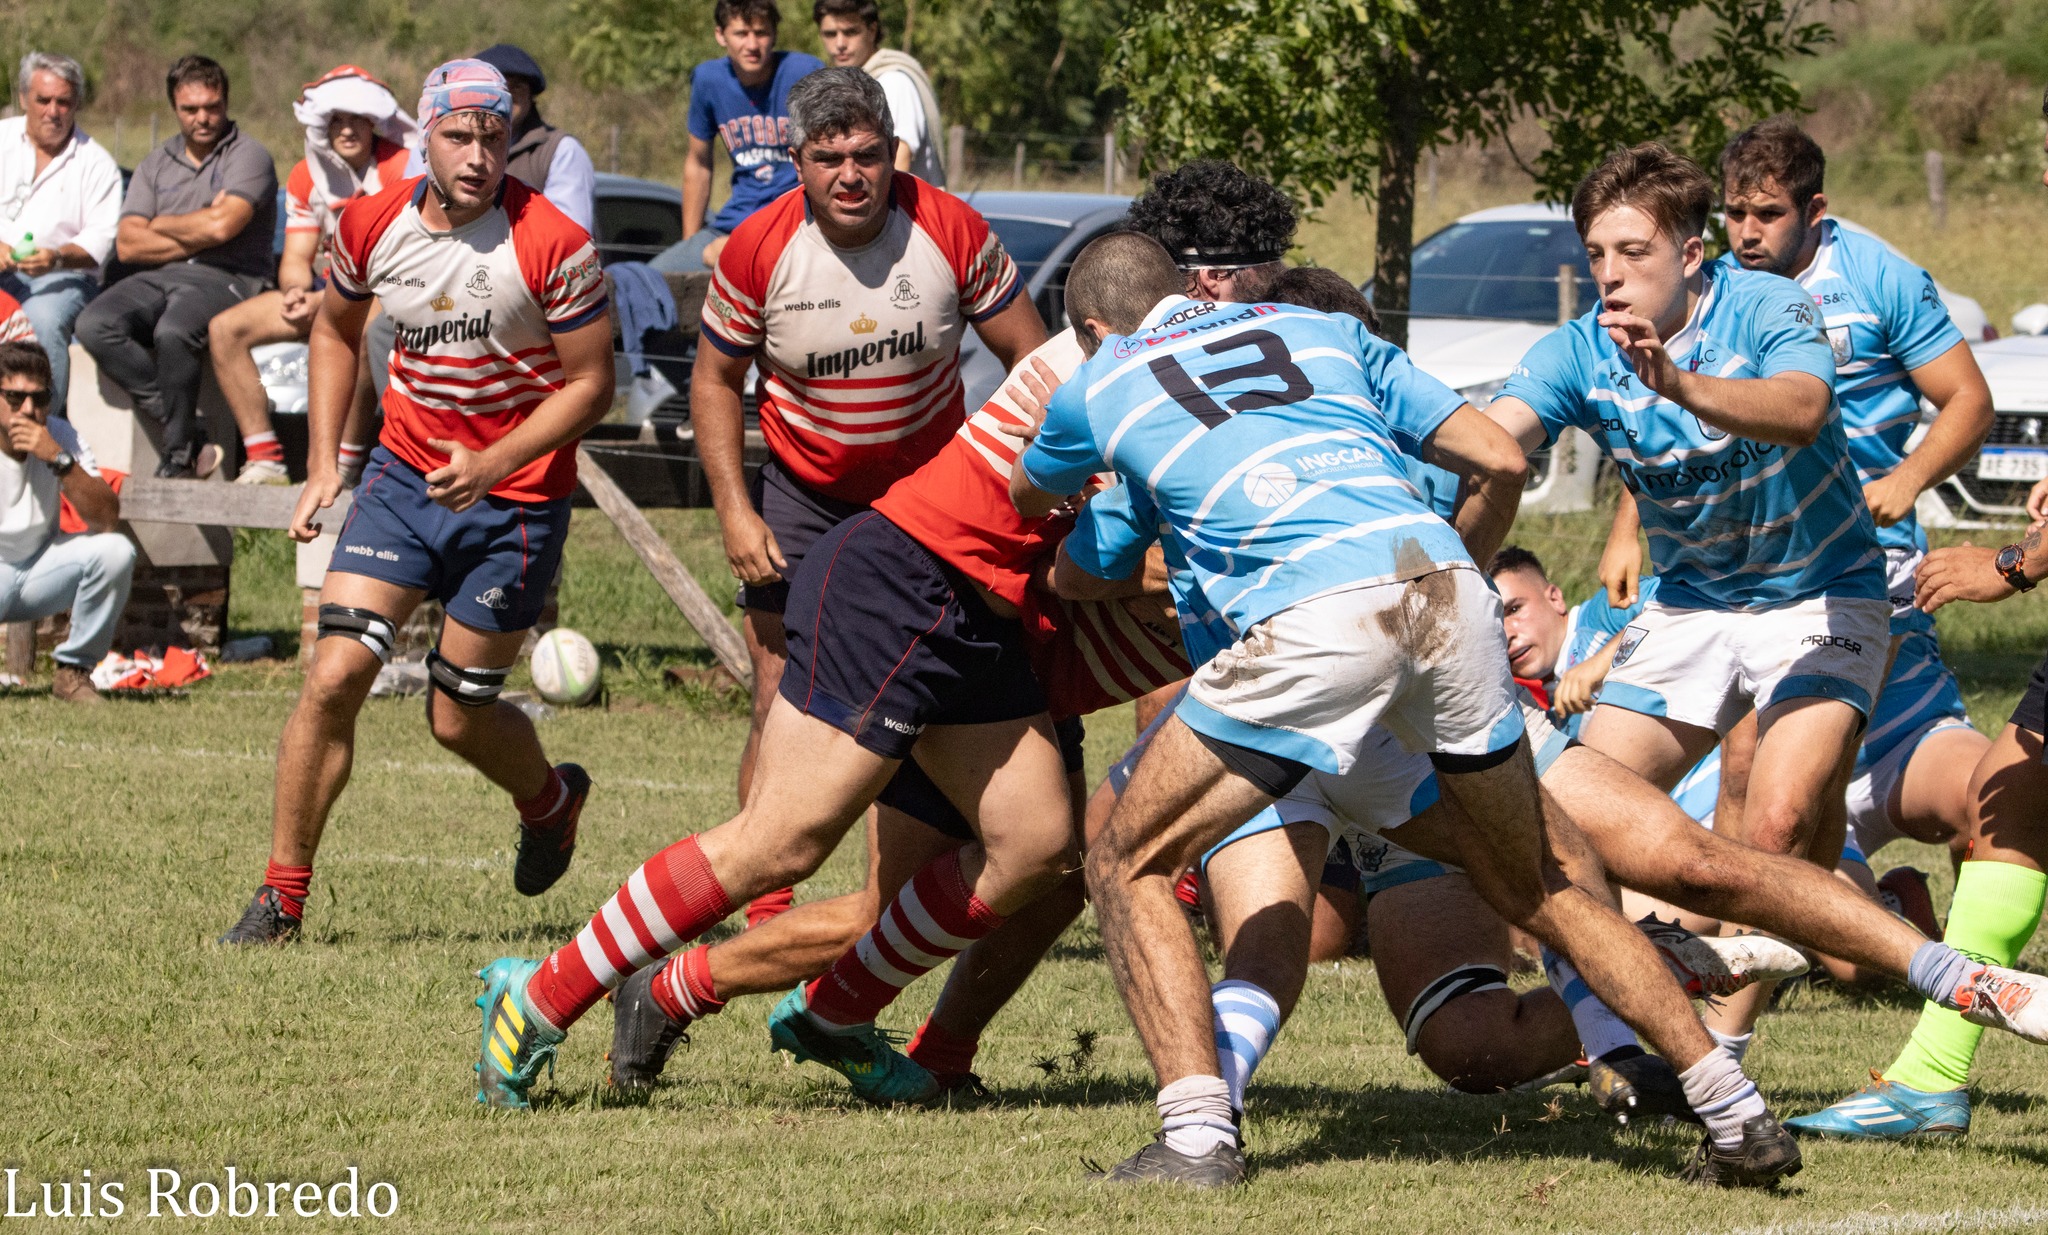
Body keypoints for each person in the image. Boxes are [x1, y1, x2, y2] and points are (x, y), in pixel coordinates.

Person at [1011, 233, 1797, 1190]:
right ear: (1187, 291)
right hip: (1442, 589)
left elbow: (1032, 503)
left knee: (1124, 859)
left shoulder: (1100, 383)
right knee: (1535, 883)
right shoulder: (1312, 325)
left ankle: (1196, 1137)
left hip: (1309, 625)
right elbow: (1500, 453)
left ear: (1092, 330)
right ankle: (1734, 1109)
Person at [472, 237, 1148, 1115]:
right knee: (780, 842)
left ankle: (835, 1014)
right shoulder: (1111, 373)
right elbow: (1088, 563)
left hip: (977, 615)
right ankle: (539, 996)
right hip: (906, 584)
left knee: (1039, 845)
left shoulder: (1133, 355)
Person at [215, 60, 615, 946]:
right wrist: (324, 462)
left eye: (495, 137)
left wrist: (495, 460)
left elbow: (593, 386)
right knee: (334, 675)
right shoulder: (369, 222)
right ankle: (281, 897)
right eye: (459, 136)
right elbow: (334, 328)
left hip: (514, 500)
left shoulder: (552, 241)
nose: (478, 156)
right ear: (424, 136)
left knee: (455, 713)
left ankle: (549, 802)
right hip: (402, 482)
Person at [694, 68, 1043, 834]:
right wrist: (733, 514)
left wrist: (1030, 470)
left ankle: (923, 868)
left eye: (866, 154)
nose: (850, 175)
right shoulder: (758, 249)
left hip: (928, 497)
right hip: (803, 496)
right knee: (778, 686)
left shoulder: (951, 228)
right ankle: (763, 896)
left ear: (892, 151)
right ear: (798, 164)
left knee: (932, 688)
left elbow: (1036, 359)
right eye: (829, 158)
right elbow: (714, 380)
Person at [208, 66, 412, 486]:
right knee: (226, 329)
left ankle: (345, 463)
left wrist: (326, 300)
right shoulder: (306, 173)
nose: (347, 129)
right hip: (325, 291)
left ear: (373, 122)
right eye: (336, 119)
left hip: (384, 292)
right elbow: (298, 255)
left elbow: (396, 261)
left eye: (357, 118)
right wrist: (296, 290)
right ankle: (265, 457)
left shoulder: (401, 165)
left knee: (360, 331)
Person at [75, 55, 277, 478]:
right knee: (93, 324)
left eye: (212, 107)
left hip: (229, 277)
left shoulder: (248, 156)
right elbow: (128, 244)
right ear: (174, 108)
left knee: (174, 330)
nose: (203, 118)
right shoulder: (156, 162)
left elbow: (224, 227)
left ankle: (180, 454)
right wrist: (200, 222)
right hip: (159, 275)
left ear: (225, 102)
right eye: (190, 109)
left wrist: (160, 225)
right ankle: (183, 424)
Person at [0, 341, 131, 703]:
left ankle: (73, 673)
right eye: (14, 397)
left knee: (115, 551)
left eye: (40, 399)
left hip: (39, 571)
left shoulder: (61, 436)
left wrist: (59, 461)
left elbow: (106, 518)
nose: (28, 410)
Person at [653, 0, 823, 273]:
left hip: (795, 223)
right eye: (741, 34)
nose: (752, 45)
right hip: (734, 224)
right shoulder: (709, 80)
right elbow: (698, 164)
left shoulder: (804, 73)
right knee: (653, 279)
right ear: (720, 35)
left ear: (775, 34)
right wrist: (691, 243)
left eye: (761, 33)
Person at [0, 52, 122, 421]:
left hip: (62, 278)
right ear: (24, 98)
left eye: (63, 101)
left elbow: (101, 242)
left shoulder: (96, 163)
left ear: (76, 105)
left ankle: (42, 429)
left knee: (43, 319)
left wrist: (55, 257)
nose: (53, 111)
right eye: (43, 100)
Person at [813, 0, 945, 186]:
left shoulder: (892, 82)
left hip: (904, 210)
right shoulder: (852, 83)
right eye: (830, 34)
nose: (840, 43)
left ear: (872, 30)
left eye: (850, 32)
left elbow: (899, 161)